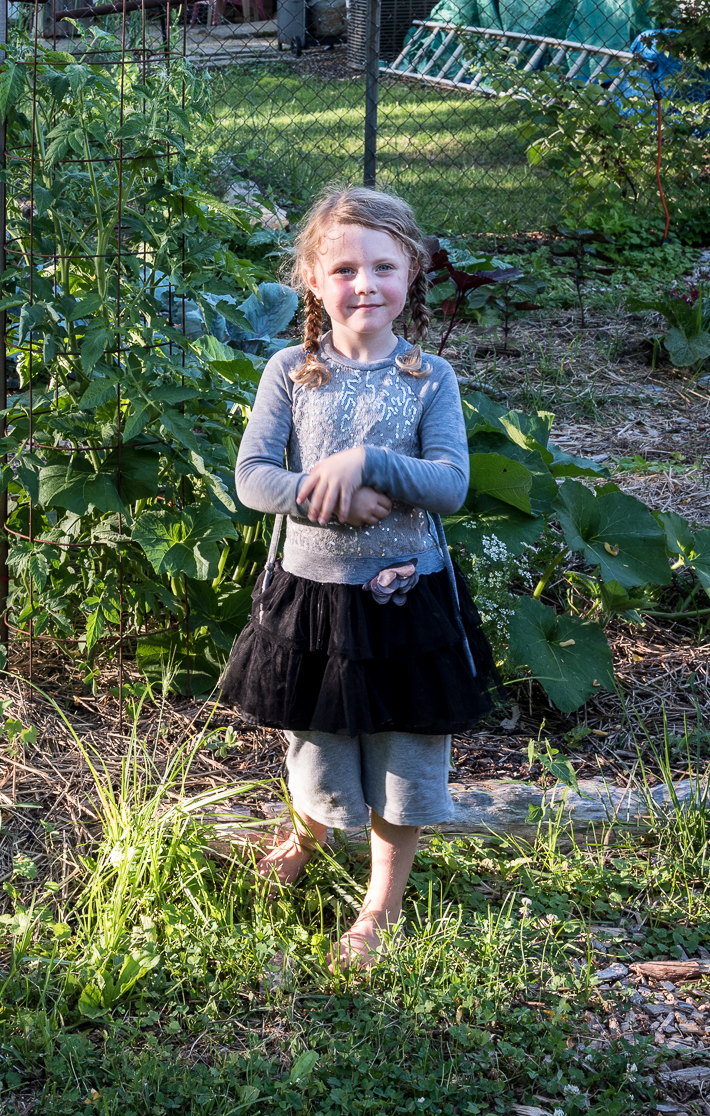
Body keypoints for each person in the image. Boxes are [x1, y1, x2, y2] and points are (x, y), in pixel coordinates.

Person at [218, 183, 496, 967]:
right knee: (319, 740)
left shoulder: (428, 377)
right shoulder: (288, 371)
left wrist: (366, 461)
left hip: (409, 601)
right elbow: (252, 480)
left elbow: (449, 484)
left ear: (411, 271)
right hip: (310, 596)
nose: (363, 284)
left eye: (382, 265)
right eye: (343, 268)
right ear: (312, 278)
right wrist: (330, 501)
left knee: (404, 754)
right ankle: (305, 831)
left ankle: (381, 906)